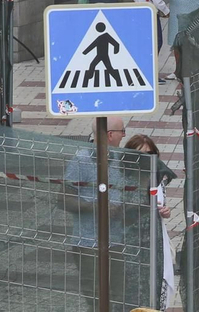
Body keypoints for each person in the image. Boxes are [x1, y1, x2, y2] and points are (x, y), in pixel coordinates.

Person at [65, 116, 129, 302]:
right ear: (110, 135)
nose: (124, 136)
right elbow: (64, 199)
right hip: (87, 243)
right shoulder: (81, 160)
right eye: (122, 131)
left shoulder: (121, 159)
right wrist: (97, 208)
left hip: (117, 240)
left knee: (118, 295)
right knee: (95, 296)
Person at [124, 134, 177, 310]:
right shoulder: (124, 180)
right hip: (131, 244)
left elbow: (162, 207)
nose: (145, 159)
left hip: (155, 242)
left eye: (149, 154)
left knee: (156, 288)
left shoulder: (158, 180)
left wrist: (165, 212)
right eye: (140, 154)